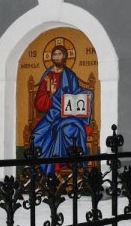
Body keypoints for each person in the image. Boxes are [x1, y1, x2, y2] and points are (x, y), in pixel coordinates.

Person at [29, 44, 91, 176]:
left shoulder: (70, 75)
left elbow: (76, 94)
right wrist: (50, 95)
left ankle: (65, 167)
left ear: (65, 57)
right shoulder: (47, 77)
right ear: (51, 57)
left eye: (59, 54)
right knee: (36, 136)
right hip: (52, 115)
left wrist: (87, 94)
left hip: (68, 115)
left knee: (68, 129)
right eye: (55, 54)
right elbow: (39, 103)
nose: (57, 57)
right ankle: (44, 172)